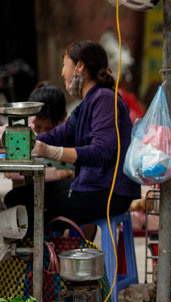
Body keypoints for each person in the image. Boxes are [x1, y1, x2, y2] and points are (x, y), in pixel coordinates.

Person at [3, 40, 140, 236]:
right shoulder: (87, 104)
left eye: (64, 64)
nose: (62, 72)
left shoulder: (105, 100)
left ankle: (43, 263)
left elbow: (100, 152)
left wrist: (52, 152)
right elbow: (58, 135)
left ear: (80, 66)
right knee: (17, 197)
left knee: (26, 212)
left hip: (108, 193)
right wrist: (14, 143)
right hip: (91, 185)